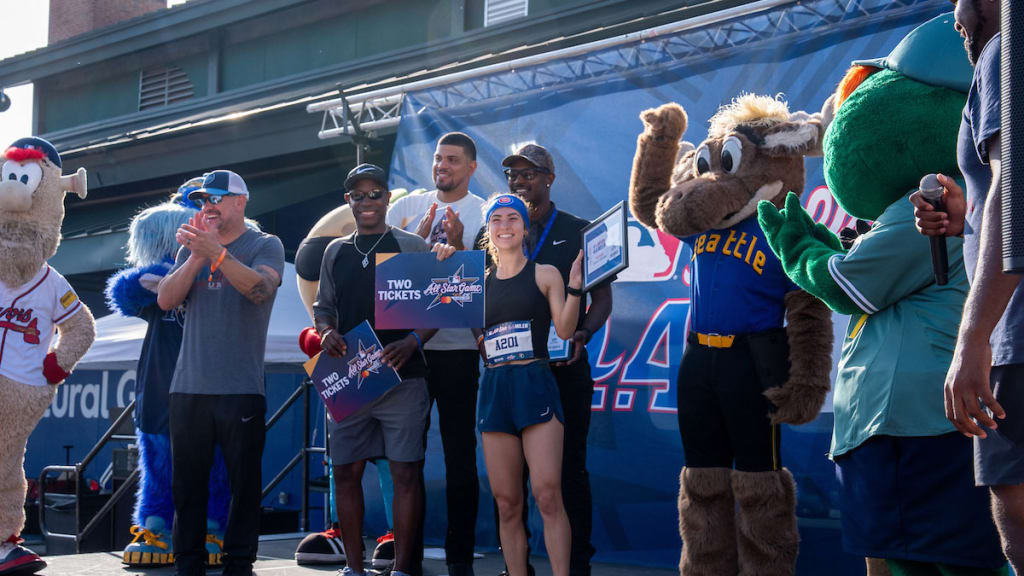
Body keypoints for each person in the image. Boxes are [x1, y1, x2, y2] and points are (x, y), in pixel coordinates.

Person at [911, 0, 1024, 570]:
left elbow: (1013, 189)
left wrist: (973, 337)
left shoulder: (1006, 50)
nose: (957, 23)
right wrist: (968, 217)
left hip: (1017, 339)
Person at [476, 144, 613, 576]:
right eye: (512, 176)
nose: (520, 181)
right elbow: (468, 306)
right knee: (508, 492)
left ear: (550, 177)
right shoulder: (490, 247)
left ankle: (575, 567)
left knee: (565, 475)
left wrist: (583, 336)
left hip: (564, 372)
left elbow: (603, 297)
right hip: (505, 380)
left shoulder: (579, 230)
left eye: (528, 174)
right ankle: (518, 568)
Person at [313, 163, 453, 576]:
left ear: (388, 198)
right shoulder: (335, 251)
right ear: (348, 202)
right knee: (346, 470)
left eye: (375, 193)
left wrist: (414, 341)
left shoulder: (411, 245)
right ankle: (354, 568)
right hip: (351, 376)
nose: (367, 201)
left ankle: (403, 569)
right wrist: (325, 333)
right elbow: (324, 308)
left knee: (405, 471)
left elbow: (444, 298)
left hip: (404, 379)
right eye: (359, 195)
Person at [157, 169, 285, 576]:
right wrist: (198, 254)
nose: (206, 206)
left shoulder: (265, 243)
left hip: (240, 387)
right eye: (201, 200)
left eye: (215, 197)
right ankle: (188, 565)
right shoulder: (191, 250)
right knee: (186, 489)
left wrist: (218, 254)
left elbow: (261, 290)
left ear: (239, 202)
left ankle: (238, 565)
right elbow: (164, 300)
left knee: (243, 486)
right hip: (189, 388)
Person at [385, 132, 486, 576]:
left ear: (471, 167)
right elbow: (383, 278)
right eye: (438, 158)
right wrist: (416, 243)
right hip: (408, 352)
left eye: (452, 159)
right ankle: (405, 555)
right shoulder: (406, 209)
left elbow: (481, 288)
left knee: (460, 456)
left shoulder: (485, 212)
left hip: (460, 351)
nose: (442, 165)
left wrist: (462, 249)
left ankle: (459, 558)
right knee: (407, 458)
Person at [477, 193, 582, 576]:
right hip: (494, 390)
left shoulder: (545, 273)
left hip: (535, 384)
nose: (505, 226)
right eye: (497, 220)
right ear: (488, 230)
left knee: (548, 494)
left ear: (524, 227)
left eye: (512, 219)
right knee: (506, 502)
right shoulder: (475, 282)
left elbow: (566, 329)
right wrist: (441, 252)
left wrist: (574, 287)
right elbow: (432, 298)